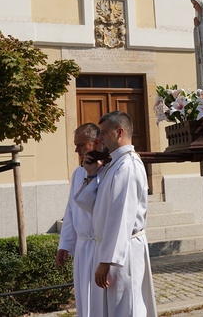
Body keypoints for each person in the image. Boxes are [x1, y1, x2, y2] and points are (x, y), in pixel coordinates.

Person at [83, 111, 157, 316]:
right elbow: (96, 207)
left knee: (126, 308)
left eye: (105, 133)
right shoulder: (112, 165)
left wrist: (107, 261)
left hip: (122, 253)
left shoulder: (127, 166)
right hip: (108, 247)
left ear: (120, 132)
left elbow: (121, 217)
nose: (99, 138)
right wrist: (91, 175)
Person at [56, 123, 103, 317]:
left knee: (100, 302)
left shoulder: (106, 171)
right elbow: (71, 211)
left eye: (81, 145)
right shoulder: (77, 173)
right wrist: (64, 244)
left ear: (95, 143)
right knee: (84, 300)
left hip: (100, 246)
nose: (77, 150)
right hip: (83, 248)